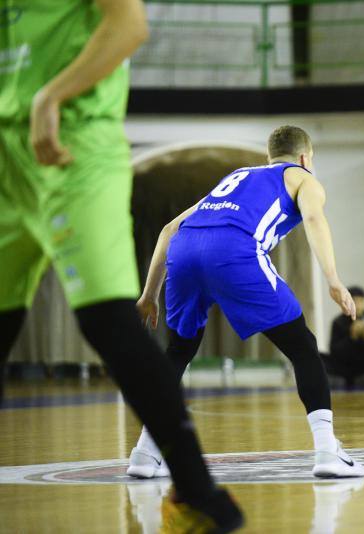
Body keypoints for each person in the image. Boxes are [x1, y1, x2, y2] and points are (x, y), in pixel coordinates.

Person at [0, 1, 242, 530]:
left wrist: (52, 94)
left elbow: (129, 25)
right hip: (5, 153)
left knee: (107, 320)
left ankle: (199, 493)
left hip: (72, 142)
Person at [127, 125, 364, 480]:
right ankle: (328, 451)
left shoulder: (237, 176)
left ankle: (146, 453)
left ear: (269, 156)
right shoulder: (303, 178)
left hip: (185, 250)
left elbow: (168, 230)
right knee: (303, 347)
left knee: (178, 352)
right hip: (234, 250)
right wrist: (332, 279)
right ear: (305, 157)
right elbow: (314, 218)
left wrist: (148, 296)